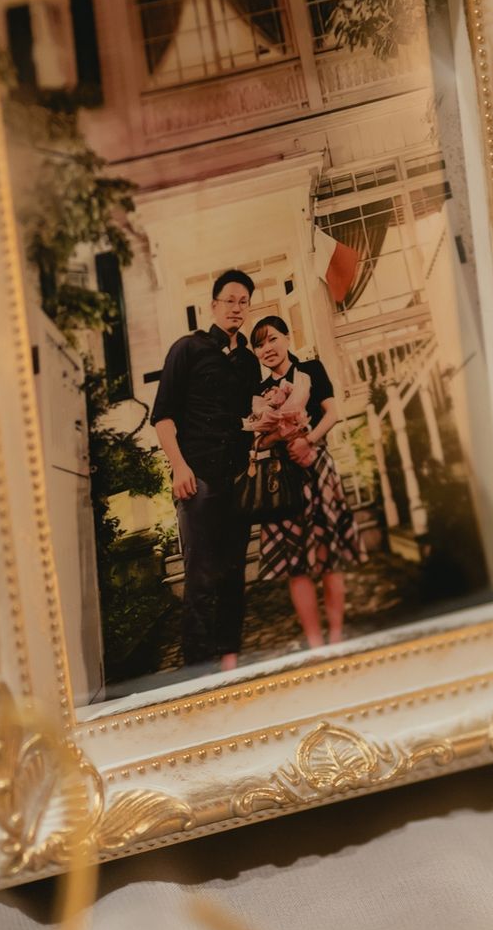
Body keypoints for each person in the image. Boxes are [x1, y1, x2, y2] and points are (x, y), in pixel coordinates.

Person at [151, 270, 261, 671]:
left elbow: (247, 418)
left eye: (243, 302)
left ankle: (230, 661)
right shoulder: (187, 349)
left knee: (233, 574)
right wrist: (179, 467)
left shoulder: (248, 362)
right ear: (213, 305)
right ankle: (199, 669)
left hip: (237, 480)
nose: (237, 308)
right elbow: (163, 417)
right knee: (200, 578)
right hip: (197, 479)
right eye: (229, 300)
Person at [248, 316, 363, 649]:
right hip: (281, 479)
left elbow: (332, 413)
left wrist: (307, 440)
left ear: (287, 337)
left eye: (272, 339)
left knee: (328, 558)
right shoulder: (258, 392)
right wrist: (280, 436)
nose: (267, 348)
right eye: (259, 345)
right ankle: (315, 643)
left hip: (316, 468)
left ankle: (336, 636)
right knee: (296, 566)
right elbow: (257, 441)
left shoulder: (311, 370)